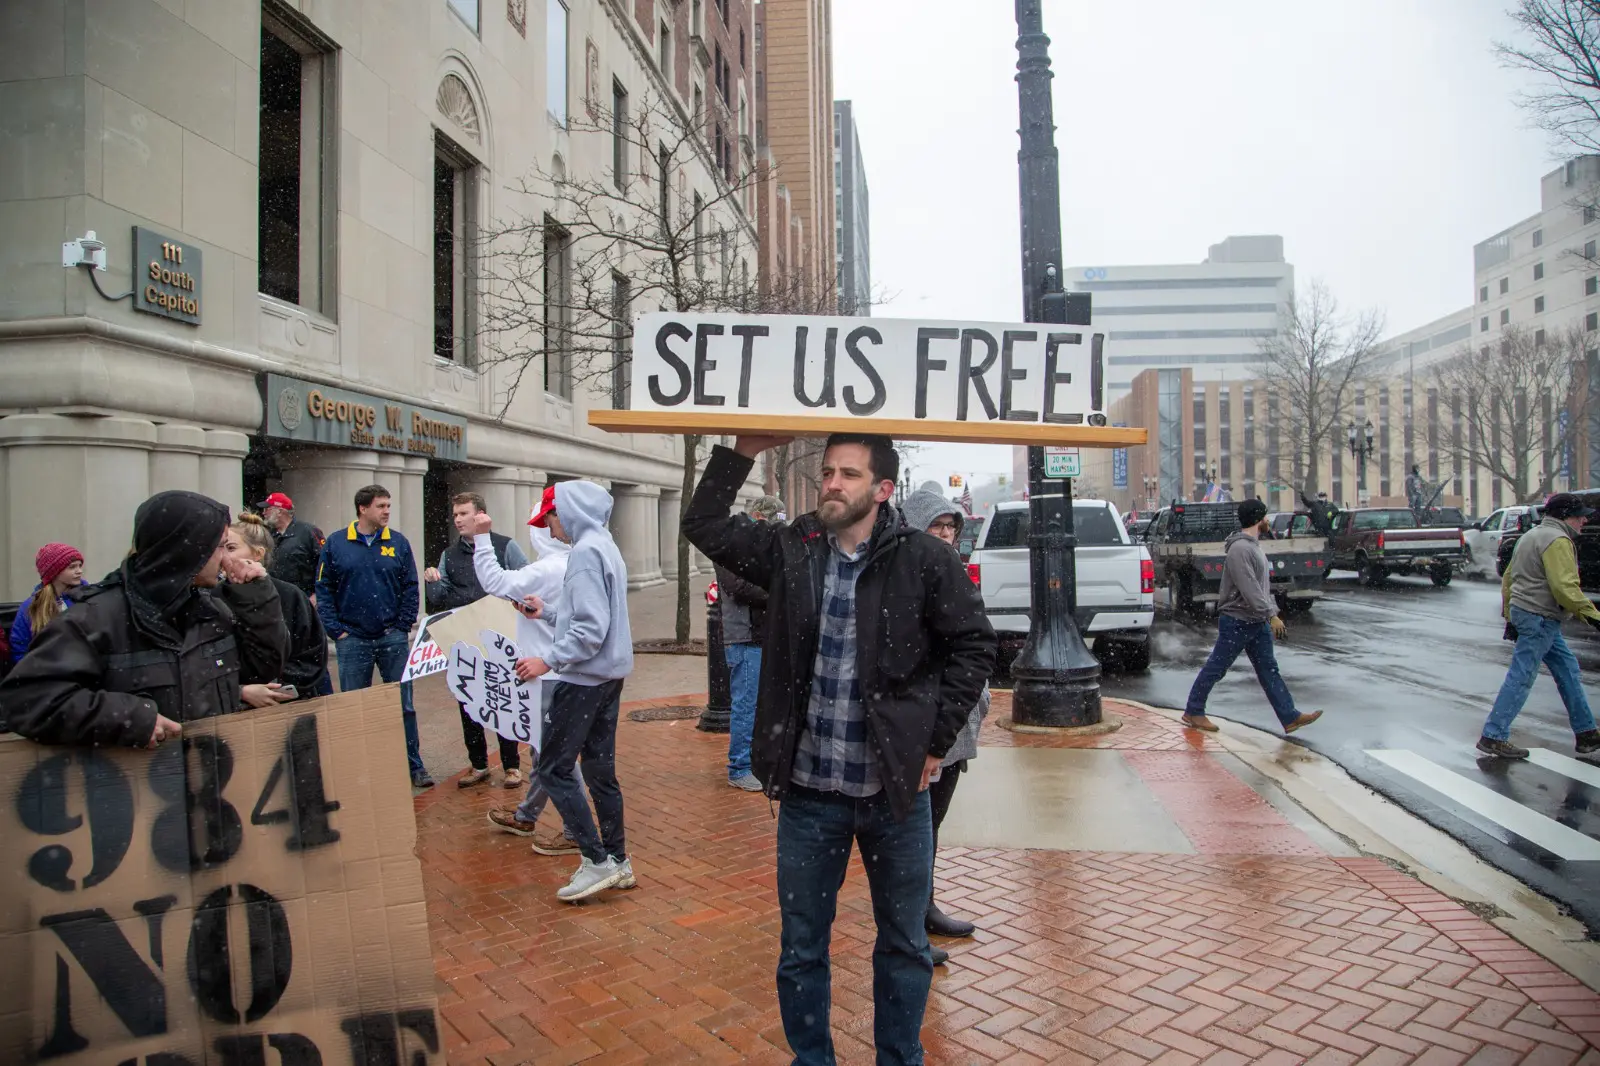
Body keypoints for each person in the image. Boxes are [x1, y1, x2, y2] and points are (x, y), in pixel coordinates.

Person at [684, 434, 995, 1066]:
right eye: (827, 471)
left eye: (848, 474)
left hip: (895, 796)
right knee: (802, 949)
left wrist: (935, 742)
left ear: (883, 490)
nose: (831, 483)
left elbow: (974, 644)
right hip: (808, 795)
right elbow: (705, 524)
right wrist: (741, 451)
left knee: (904, 945)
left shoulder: (923, 559)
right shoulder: (793, 549)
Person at [0, 491, 288, 746]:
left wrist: (256, 595)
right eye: (220, 546)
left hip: (211, 780)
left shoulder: (213, 611)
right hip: (137, 785)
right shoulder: (94, 619)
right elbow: (26, 701)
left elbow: (262, 669)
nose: (226, 559)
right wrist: (129, 717)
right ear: (188, 551)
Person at [506, 482, 636, 903]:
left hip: (582, 681)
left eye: (551, 517)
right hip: (607, 679)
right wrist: (548, 612)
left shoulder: (583, 553)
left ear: (568, 512)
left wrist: (549, 659)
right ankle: (617, 860)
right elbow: (595, 616)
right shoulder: (605, 546)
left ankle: (596, 861)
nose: (549, 526)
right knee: (600, 772)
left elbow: (590, 628)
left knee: (553, 769)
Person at [900, 480, 992, 962]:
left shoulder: (953, 572)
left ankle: (925, 909)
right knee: (913, 835)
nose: (945, 535)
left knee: (932, 828)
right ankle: (909, 928)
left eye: (949, 526)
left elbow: (973, 647)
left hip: (953, 727)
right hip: (925, 731)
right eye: (935, 526)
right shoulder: (908, 578)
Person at [472, 487, 584, 856]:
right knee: (545, 751)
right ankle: (527, 814)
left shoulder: (548, 568)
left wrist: (482, 538)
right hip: (558, 669)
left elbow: (494, 582)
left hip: (546, 673)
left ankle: (574, 830)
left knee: (554, 755)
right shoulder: (575, 562)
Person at [316, 484, 430, 787]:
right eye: (381, 506)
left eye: (388, 505)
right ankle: (360, 771)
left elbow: (410, 586)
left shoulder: (398, 542)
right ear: (362, 508)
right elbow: (323, 589)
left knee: (403, 706)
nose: (387, 511)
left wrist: (403, 625)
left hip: (392, 637)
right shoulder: (336, 543)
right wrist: (336, 631)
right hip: (352, 639)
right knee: (355, 708)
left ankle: (413, 766)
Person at [1182, 499, 1322, 736]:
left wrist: (1267, 613)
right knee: (1217, 667)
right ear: (1258, 519)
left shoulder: (1252, 546)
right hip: (1237, 620)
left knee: (1269, 670)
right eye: (1265, 516)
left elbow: (1261, 588)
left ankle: (1290, 717)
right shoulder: (1240, 549)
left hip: (1255, 621)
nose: (1268, 520)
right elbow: (1250, 589)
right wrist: (1272, 615)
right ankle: (1194, 710)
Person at [1478, 492, 1600, 758]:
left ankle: (1586, 733)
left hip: (1530, 613)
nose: (1584, 521)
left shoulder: (1530, 536)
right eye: (1579, 516)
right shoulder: (1557, 540)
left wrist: (1510, 616)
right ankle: (1494, 735)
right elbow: (1564, 587)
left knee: (1567, 668)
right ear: (1565, 516)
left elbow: (1509, 578)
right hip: (1541, 616)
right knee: (1522, 676)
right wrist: (1593, 616)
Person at [425, 492, 531, 789]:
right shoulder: (449, 555)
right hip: (466, 642)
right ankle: (479, 764)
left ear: (480, 515)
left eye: (464, 513)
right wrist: (432, 582)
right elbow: (439, 597)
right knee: (468, 701)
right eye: (455, 514)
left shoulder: (505, 545)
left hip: (500, 637)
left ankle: (511, 765)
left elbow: (527, 581)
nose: (458, 520)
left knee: (504, 699)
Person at [717, 493, 785, 792]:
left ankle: (753, 763)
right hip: (745, 638)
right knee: (746, 705)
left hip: (761, 636)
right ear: (758, 517)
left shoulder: (758, 544)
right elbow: (739, 587)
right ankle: (740, 767)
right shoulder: (732, 545)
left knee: (758, 705)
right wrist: (779, 590)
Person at [227, 513, 328, 705]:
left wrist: (277, 687)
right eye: (220, 548)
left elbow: (312, 654)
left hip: (289, 705)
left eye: (231, 548)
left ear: (258, 553)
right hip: (233, 710)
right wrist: (240, 691)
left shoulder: (290, 595)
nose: (224, 555)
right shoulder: (213, 597)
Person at [10, 543, 86, 664]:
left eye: (80, 565)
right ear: (54, 572)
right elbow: (20, 649)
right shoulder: (31, 606)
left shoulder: (87, 599)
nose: (79, 571)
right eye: (72, 567)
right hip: (44, 672)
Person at [259, 491, 323, 601]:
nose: (263, 513)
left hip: (303, 597)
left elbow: (324, 564)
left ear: (280, 511)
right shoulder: (268, 535)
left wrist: (317, 593)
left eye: (267, 509)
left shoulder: (308, 531)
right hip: (275, 597)